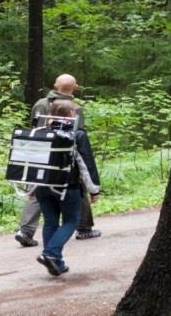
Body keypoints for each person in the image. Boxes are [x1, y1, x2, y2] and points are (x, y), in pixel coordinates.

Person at [15, 74, 100, 247]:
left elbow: (35, 131)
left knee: (38, 188)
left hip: (41, 155)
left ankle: (25, 230)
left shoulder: (40, 104)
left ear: (55, 85)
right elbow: (76, 134)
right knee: (78, 187)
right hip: (64, 158)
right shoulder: (75, 108)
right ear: (74, 88)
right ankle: (84, 228)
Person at [34, 100, 101, 276]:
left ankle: (57, 263)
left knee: (50, 222)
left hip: (43, 185)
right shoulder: (76, 135)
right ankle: (50, 254)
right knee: (71, 221)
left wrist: (31, 186)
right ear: (71, 114)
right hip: (67, 186)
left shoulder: (41, 132)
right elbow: (86, 164)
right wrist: (94, 189)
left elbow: (34, 162)